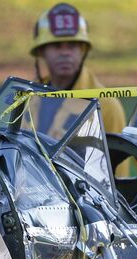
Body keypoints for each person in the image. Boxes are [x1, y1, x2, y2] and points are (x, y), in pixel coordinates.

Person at [30, 3, 129, 177]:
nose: (65, 53)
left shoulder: (106, 106)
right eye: (57, 46)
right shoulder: (28, 99)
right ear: (41, 52)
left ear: (83, 51)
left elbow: (117, 181)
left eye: (73, 45)